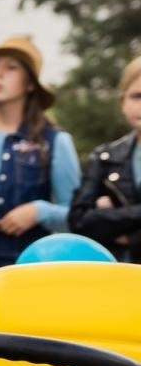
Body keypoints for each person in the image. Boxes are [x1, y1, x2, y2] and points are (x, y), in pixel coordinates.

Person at [0, 35, 79, 268]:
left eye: (11, 68)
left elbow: (77, 218)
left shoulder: (56, 142)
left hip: (26, 269)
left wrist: (40, 211)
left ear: (30, 84)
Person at [69, 54, 141, 262]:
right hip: (121, 275)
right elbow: (79, 221)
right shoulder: (105, 157)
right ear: (122, 102)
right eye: (137, 96)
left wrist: (131, 236)